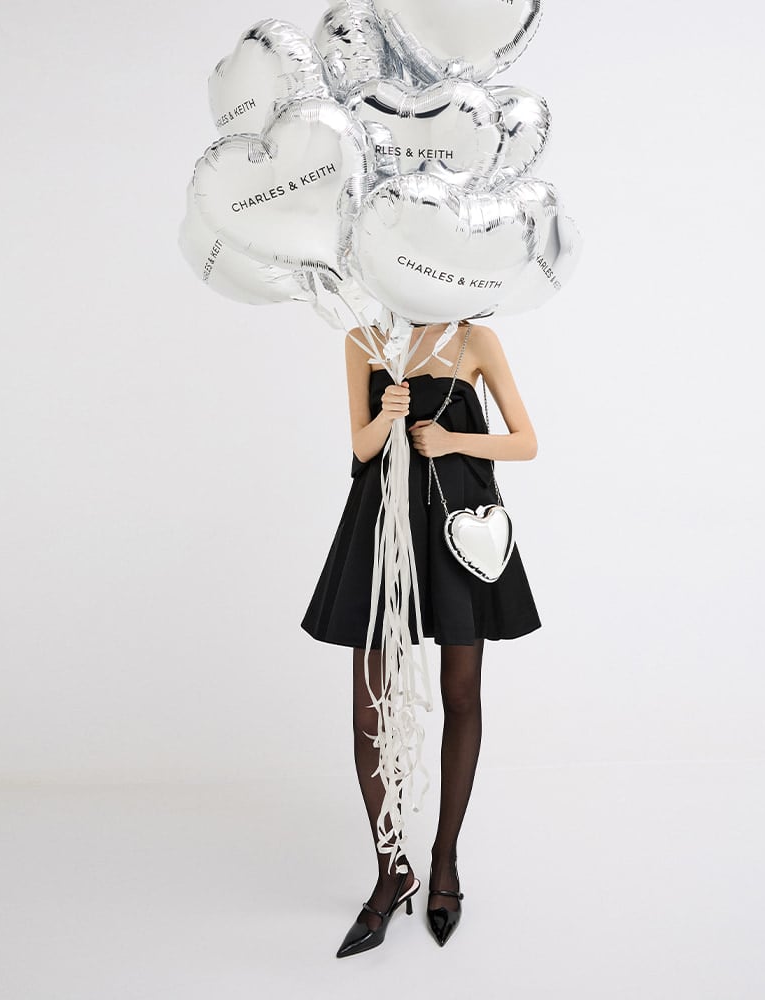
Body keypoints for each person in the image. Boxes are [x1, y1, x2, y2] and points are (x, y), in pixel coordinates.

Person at [301, 318, 541, 956]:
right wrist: (389, 415)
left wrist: (450, 438)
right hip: (383, 527)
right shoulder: (363, 338)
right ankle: (392, 871)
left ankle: (444, 862)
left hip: (457, 526)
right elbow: (360, 448)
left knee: (460, 695)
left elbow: (525, 442)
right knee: (369, 711)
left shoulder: (473, 340)